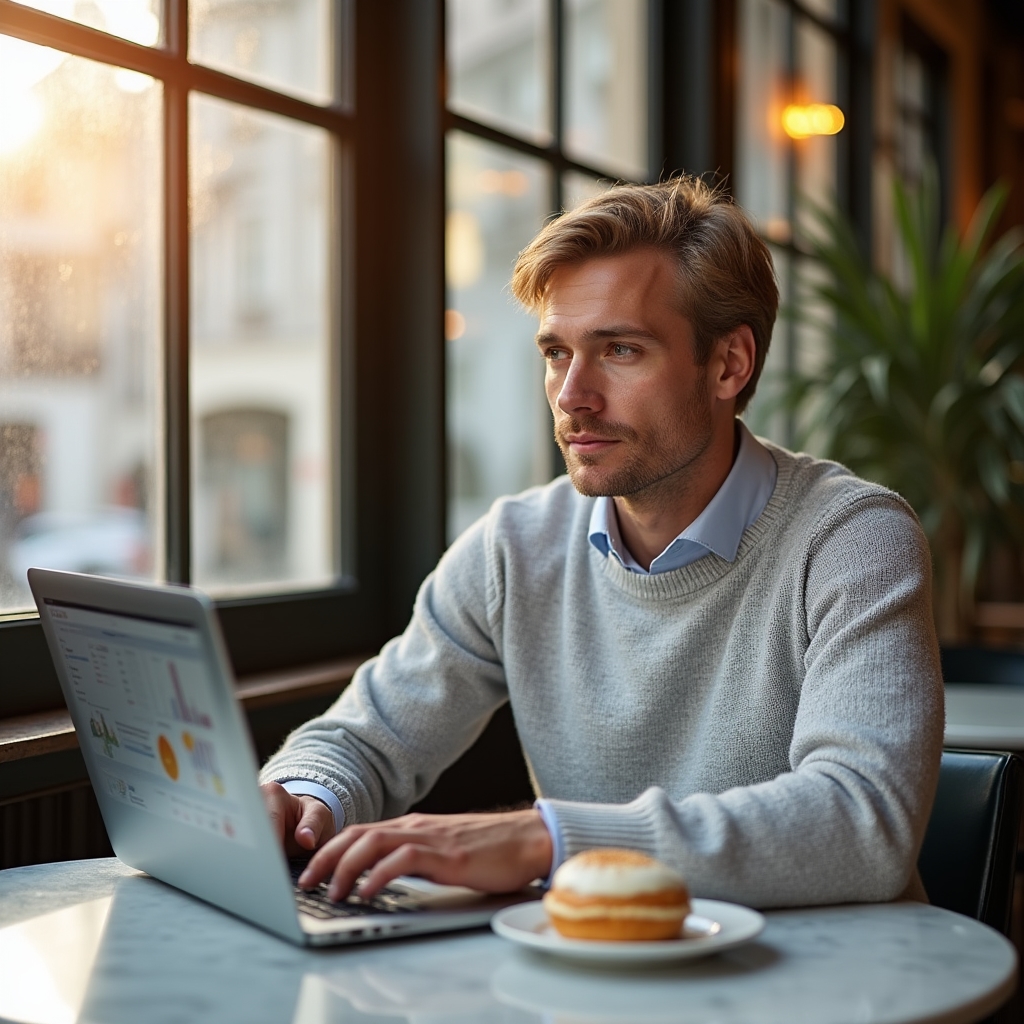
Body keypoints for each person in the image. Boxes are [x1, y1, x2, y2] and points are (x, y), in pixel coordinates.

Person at [259, 177, 944, 908]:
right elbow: (366, 738)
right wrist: (303, 801)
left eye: (619, 349)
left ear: (729, 364)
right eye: (557, 352)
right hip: (594, 963)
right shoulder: (515, 548)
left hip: (828, 970)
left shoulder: (853, 540)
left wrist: (549, 840)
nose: (572, 396)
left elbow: (862, 822)